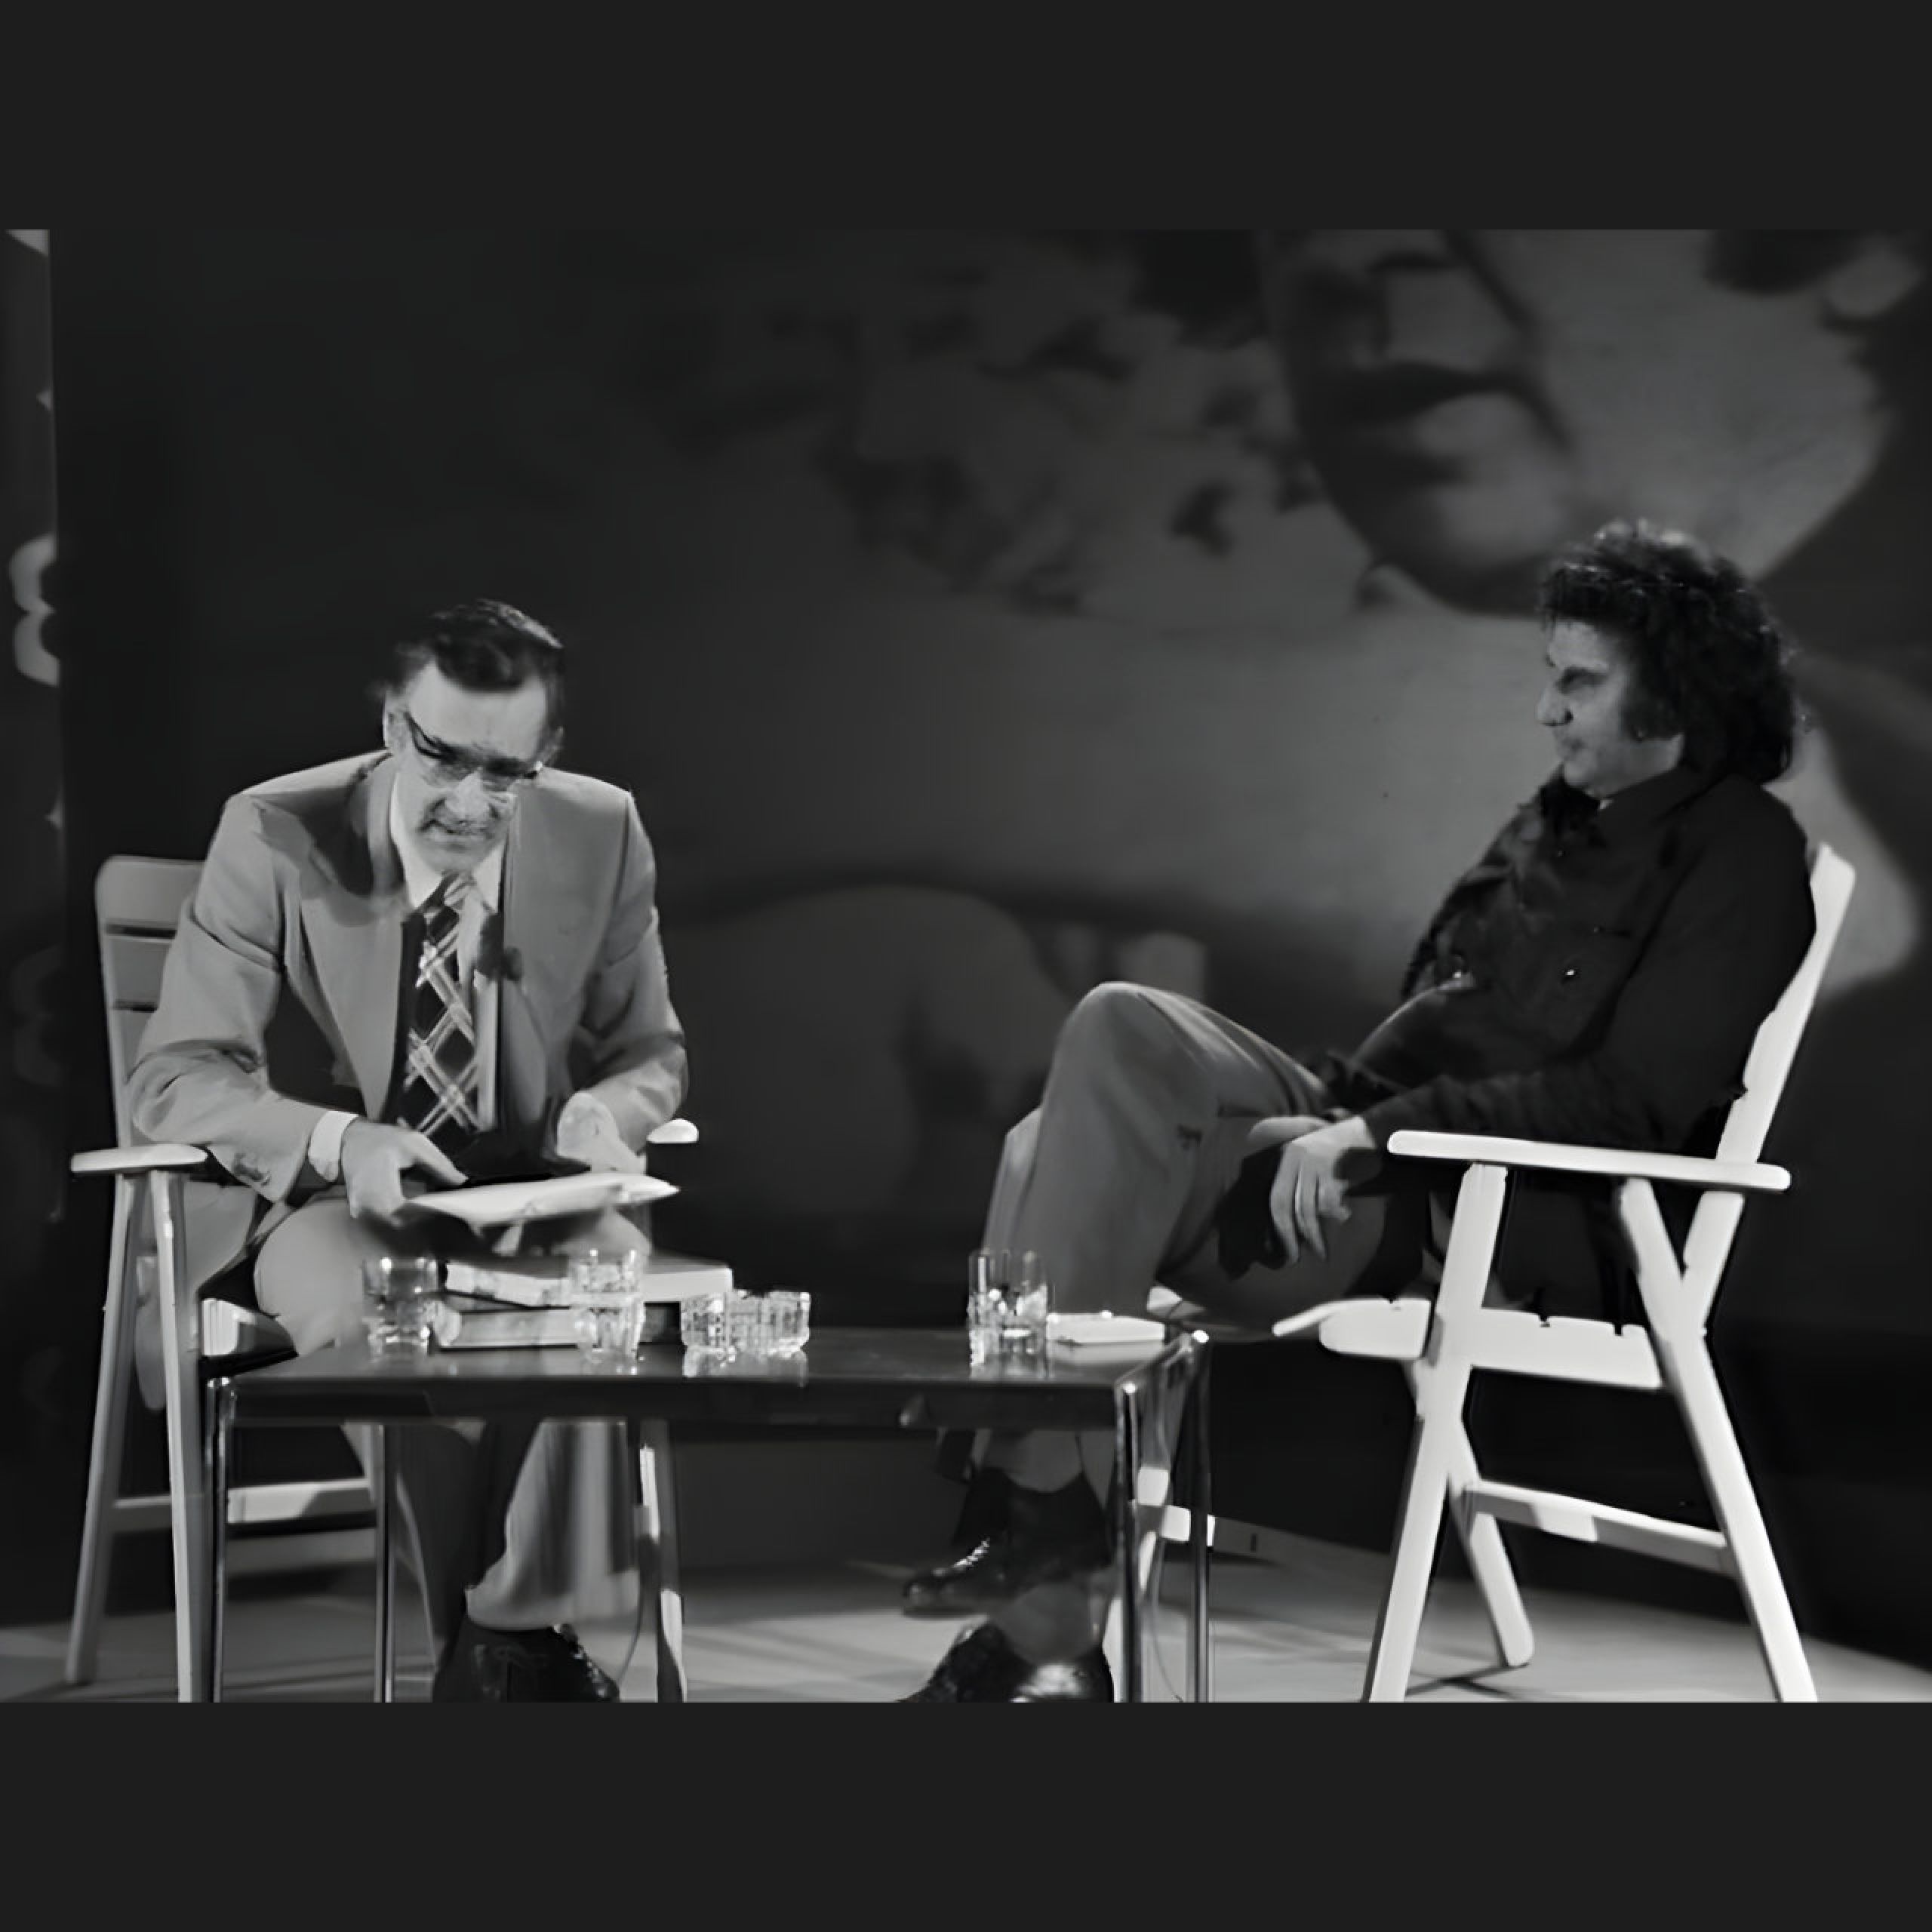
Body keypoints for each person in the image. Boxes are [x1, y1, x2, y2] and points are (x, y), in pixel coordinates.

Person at [897, 519, 1817, 1700]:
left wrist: (1370, 1137)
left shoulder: (1742, 855)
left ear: (1674, 696)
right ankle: (1045, 1537)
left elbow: (1629, 1102)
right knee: (1117, 1028)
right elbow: (1438, 1012)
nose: (1546, 709)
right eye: (1551, 676)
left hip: (1471, 1202)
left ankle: (1043, 1596)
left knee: (1050, 1153)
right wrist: (1339, 1116)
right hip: (1368, 1123)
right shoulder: (1558, 817)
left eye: (1580, 682)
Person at [128, 598, 687, 1700]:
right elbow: (175, 1077)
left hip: (520, 1196)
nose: (470, 803)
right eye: (444, 759)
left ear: (546, 757)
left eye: (506, 774)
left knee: (611, 1270)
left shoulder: (601, 829)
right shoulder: (275, 831)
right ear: (393, 727)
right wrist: (341, 1143)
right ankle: (503, 1658)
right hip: (313, 1208)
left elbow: (651, 1052)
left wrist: (608, 1114)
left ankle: (506, 1635)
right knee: (393, 1307)